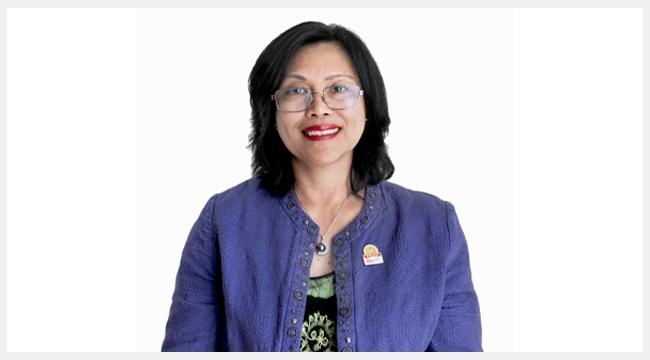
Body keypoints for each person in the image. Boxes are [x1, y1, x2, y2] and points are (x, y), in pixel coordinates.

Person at [161, 21, 482, 352]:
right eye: (296, 90)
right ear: (271, 111)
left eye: (338, 89)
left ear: (368, 104)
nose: (319, 108)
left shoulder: (432, 225)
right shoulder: (223, 221)